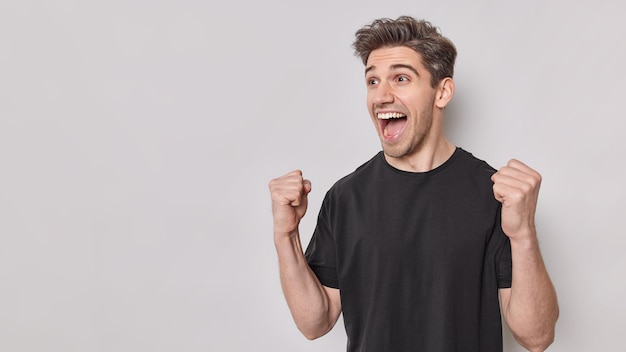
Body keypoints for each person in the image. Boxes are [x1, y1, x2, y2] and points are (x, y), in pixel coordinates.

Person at [268, 16, 558, 352]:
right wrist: (285, 235)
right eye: (373, 81)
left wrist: (523, 235)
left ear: (442, 92)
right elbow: (314, 323)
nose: (381, 96)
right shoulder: (346, 198)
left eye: (400, 78)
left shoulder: (493, 194)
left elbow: (536, 337)